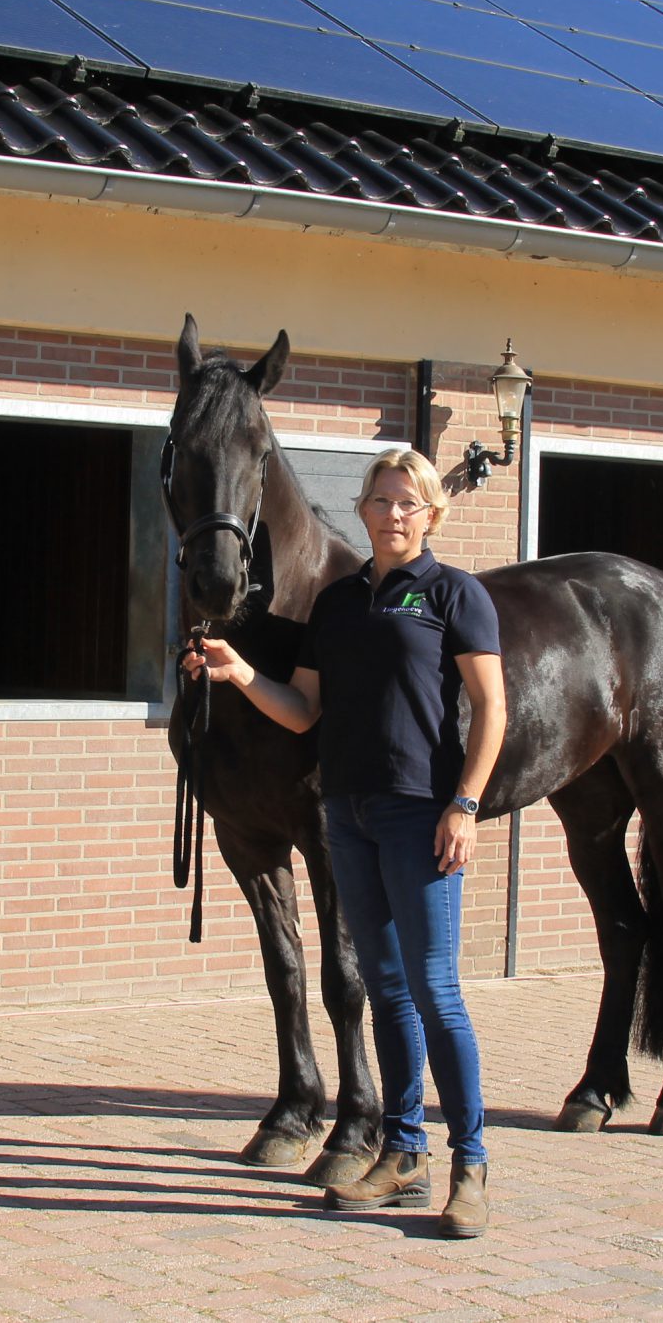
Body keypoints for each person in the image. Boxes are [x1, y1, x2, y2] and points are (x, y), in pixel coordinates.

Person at [183, 447, 505, 1239]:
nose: (394, 514)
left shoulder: (453, 595)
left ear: (432, 513)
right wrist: (237, 672)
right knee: (387, 987)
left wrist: (464, 806)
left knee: (436, 991)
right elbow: (302, 712)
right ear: (361, 509)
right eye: (382, 500)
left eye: (410, 502)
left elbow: (491, 710)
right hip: (349, 818)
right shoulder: (334, 606)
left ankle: (471, 1164)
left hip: (418, 812)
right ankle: (402, 1153)